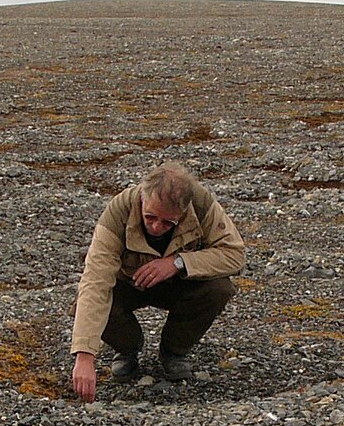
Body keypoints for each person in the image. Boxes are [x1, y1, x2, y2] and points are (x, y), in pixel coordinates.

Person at [70, 161, 245, 401]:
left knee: (219, 288)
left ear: (183, 212)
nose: (156, 227)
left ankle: (174, 351)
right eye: (150, 217)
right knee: (85, 302)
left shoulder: (202, 204)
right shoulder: (118, 211)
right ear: (142, 198)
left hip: (179, 284)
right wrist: (84, 356)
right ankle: (127, 348)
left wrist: (178, 263)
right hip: (129, 284)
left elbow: (234, 254)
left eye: (167, 223)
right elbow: (95, 280)